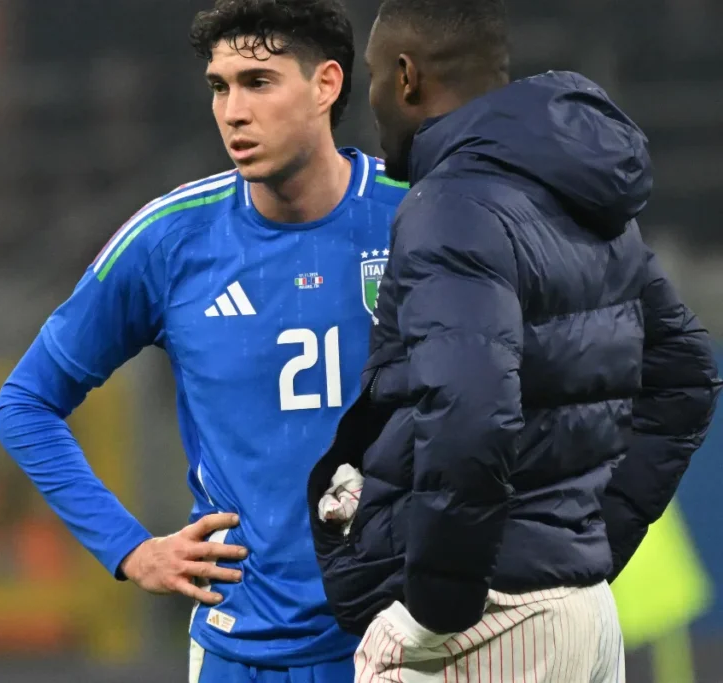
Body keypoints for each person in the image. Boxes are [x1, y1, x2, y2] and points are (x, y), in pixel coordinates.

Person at [306, 0, 722, 681]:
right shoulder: (579, 194)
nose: (370, 100)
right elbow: (685, 376)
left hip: (484, 622)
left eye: (374, 76)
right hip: (583, 613)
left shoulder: (451, 204)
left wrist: (437, 607)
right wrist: (582, 547)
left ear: (406, 77)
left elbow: (469, 412)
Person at [0, 0, 408, 680]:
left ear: (326, 85)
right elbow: (25, 403)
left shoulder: (416, 210)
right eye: (220, 86)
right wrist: (129, 548)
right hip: (240, 650)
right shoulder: (171, 239)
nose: (233, 111)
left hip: (403, 643)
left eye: (259, 82)